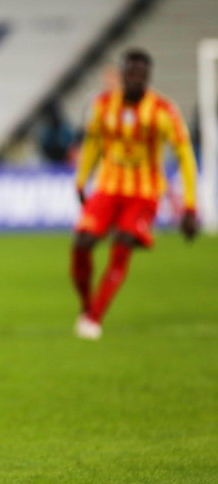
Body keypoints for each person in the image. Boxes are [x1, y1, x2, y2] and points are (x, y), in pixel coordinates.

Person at [71, 48, 198, 340]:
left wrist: (190, 206)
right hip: (107, 187)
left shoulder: (164, 111)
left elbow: (186, 156)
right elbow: (92, 144)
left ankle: (94, 318)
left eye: (141, 75)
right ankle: (86, 305)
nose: (135, 80)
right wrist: (80, 180)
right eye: (130, 73)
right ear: (122, 74)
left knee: (123, 241)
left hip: (144, 193)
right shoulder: (102, 105)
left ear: (148, 78)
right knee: (81, 243)